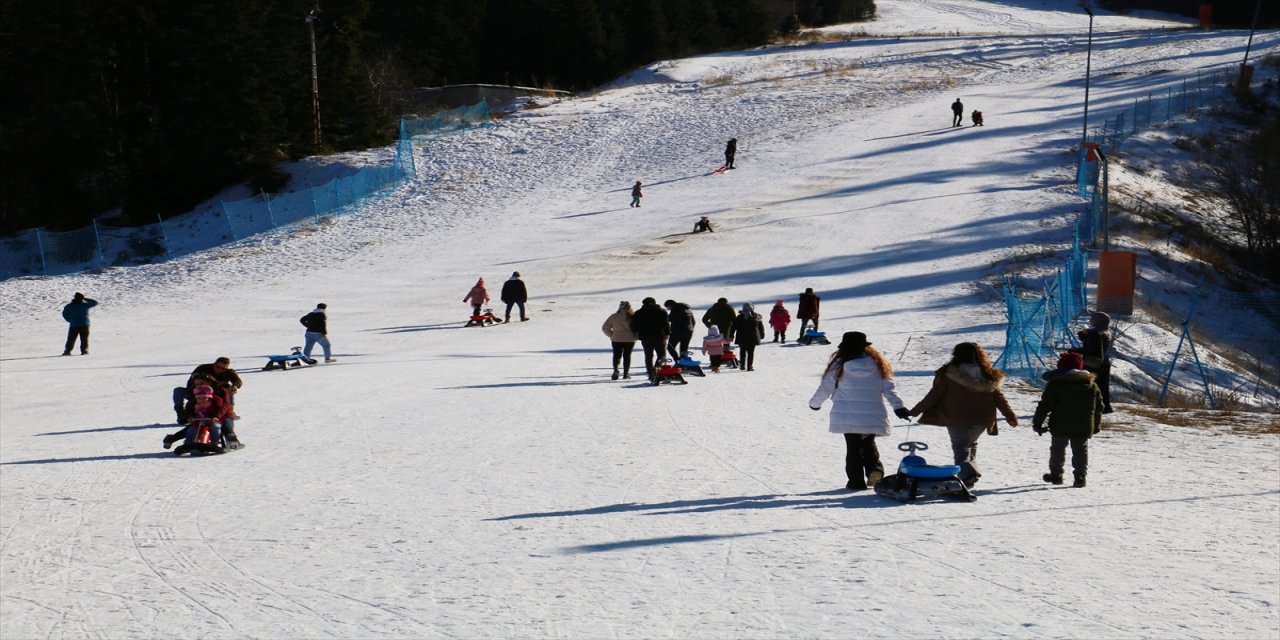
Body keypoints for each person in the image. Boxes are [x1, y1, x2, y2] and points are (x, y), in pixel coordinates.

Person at [906, 342, 1019, 488]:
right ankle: (968, 477)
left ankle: (968, 475)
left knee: (961, 447)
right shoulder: (988, 374)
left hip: (956, 418)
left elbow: (934, 395)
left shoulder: (949, 374)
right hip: (982, 419)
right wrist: (1010, 415)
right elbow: (999, 398)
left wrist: (914, 411)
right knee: (970, 445)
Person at [809, 332, 909, 491]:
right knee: (869, 442)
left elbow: (825, 387)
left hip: (846, 414)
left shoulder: (839, 364)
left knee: (853, 447)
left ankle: (856, 481)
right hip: (873, 412)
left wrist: (815, 404)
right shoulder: (878, 364)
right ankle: (874, 469)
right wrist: (899, 407)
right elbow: (889, 389)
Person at [1032, 352, 1105, 488]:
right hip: (1083, 425)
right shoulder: (1092, 386)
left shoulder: (1056, 384)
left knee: (1057, 449)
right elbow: (1099, 407)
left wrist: (1037, 423)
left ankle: (1056, 475)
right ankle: (1080, 476)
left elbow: (1045, 405)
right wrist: (1095, 425)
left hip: (1060, 424)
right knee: (1080, 450)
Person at [171, 356, 243, 425]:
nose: (219, 369)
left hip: (214, 396)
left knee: (228, 389)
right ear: (214, 364)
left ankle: (229, 411)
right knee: (178, 391)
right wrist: (197, 391)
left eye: (223, 368)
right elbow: (191, 382)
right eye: (217, 367)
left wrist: (235, 386)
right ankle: (181, 415)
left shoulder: (228, 373)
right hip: (195, 394)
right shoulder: (203, 368)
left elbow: (238, 381)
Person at [172, 385, 237, 455]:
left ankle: (214, 442)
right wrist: (190, 417)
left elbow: (220, 412)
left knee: (216, 427)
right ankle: (188, 442)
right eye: (199, 398)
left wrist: (215, 417)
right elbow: (189, 412)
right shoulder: (194, 405)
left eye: (204, 398)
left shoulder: (214, 404)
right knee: (191, 429)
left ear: (209, 398)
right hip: (198, 422)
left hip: (212, 421)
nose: (201, 400)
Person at [1071, 311, 1114, 413]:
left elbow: (1091, 349)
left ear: (1097, 321)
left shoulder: (1095, 333)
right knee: (1102, 386)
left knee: (1089, 384)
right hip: (1104, 362)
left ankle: (1092, 406)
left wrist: (1075, 351)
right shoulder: (1105, 332)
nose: (1090, 320)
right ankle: (1104, 406)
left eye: (1092, 319)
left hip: (1093, 363)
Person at [629, 297, 670, 381]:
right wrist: (667, 333)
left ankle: (651, 374)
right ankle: (658, 371)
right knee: (661, 355)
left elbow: (633, 326)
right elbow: (666, 324)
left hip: (645, 337)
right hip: (659, 336)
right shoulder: (661, 311)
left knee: (648, 356)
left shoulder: (639, 313)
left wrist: (637, 332)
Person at [602, 301, 638, 380]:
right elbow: (638, 328)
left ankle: (616, 370)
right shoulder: (633, 317)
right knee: (627, 356)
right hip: (630, 339)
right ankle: (626, 373)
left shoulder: (614, 316)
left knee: (616, 355)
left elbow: (605, 327)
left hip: (616, 339)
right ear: (629, 307)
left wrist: (611, 335)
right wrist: (636, 336)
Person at [731, 303, 765, 371]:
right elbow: (760, 327)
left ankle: (742, 366)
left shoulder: (740, 317)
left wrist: (731, 335)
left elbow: (734, 326)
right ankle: (749, 367)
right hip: (753, 337)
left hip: (742, 337)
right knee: (751, 352)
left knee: (742, 352)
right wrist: (761, 335)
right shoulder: (756, 317)